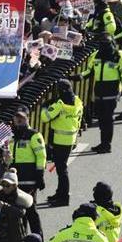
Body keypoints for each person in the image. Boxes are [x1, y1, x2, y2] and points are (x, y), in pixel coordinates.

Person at [84, 33, 122, 154]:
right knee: (101, 118)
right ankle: (103, 142)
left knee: (107, 119)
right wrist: (79, 76)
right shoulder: (95, 55)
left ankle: (106, 144)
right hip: (99, 90)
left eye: (107, 43)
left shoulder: (118, 55)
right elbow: (89, 71)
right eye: (102, 44)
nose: (104, 46)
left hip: (112, 91)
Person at [40, 79, 83, 207]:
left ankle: (64, 197)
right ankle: (60, 193)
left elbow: (44, 117)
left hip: (59, 140)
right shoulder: (78, 101)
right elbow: (79, 119)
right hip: (70, 139)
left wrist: (44, 107)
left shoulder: (59, 105)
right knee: (61, 169)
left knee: (62, 170)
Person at [7, 108, 47, 202]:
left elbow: (41, 156)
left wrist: (39, 174)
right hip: (15, 177)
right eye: (17, 118)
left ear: (28, 118)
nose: (19, 120)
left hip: (29, 178)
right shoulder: (12, 136)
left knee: (30, 209)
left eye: (22, 118)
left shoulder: (34, 135)